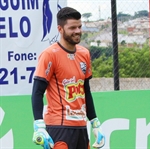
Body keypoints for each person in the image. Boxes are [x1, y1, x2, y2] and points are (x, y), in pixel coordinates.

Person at [31, 6, 105, 149]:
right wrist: (39, 126)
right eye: (72, 28)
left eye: (79, 27)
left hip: (81, 127)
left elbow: (86, 91)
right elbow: (37, 92)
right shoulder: (49, 55)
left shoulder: (84, 54)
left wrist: (95, 123)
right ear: (60, 29)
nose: (77, 31)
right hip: (59, 127)